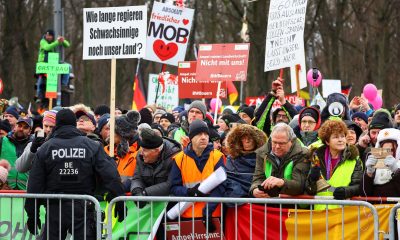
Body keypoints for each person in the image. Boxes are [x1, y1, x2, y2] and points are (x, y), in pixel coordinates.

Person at [24, 109, 126, 239]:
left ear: (57, 124)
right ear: (74, 123)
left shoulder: (46, 148)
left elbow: (34, 184)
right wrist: (119, 199)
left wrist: (32, 214)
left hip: (55, 209)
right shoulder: (91, 146)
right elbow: (111, 175)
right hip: (83, 207)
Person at [169, 120, 225, 232]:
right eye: (199, 134)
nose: (203, 137)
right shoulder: (179, 159)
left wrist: (207, 211)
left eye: (206, 134)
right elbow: (174, 187)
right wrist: (189, 192)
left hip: (213, 214)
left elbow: (222, 187)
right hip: (188, 214)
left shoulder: (218, 156)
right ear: (191, 138)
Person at [306, 120, 362, 209]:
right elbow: (309, 190)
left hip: (343, 213)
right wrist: (312, 179)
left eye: (343, 136)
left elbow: (359, 186)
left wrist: (346, 191)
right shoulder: (316, 158)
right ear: (327, 141)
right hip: (320, 213)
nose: (340, 140)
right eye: (335, 137)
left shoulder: (354, 159)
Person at [250, 123, 310, 198]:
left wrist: (281, 182)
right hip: (268, 203)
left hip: (292, 206)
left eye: (282, 143)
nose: (277, 146)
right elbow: (258, 178)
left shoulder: (303, 154)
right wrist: (254, 189)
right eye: (274, 142)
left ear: (291, 141)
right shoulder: (262, 153)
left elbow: (299, 186)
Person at [130, 128, 181, 205]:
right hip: (151, 208)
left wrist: (146, 193)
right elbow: (137, 178)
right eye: (142, 149)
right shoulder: (140, 156)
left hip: (170, 207)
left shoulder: (175, 157)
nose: (141, 153)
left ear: (157, 151)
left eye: (145, 150)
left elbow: (170, 184)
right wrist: (137, 190)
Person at [224, 124, 267, 199]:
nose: (247, 141)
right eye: (243, 138)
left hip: (259, 201)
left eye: (250, 138)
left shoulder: (264, 158)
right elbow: (229, 180)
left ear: (256, 140)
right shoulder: (231, 159)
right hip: (237, 203)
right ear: (238, 140)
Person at [361, 128, 400, 197]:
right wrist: (369, 173)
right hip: (376, 207)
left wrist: (396, 171)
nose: (388, 153)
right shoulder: (376, 163)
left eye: (391, 150)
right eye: (384, 150)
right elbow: (364, 194)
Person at [104, 110, 141, 183]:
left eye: (112, 130)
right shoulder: (106, 150)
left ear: (122, 134)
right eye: (109, 129)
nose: (109, 133)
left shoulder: (139, 153)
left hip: (129, 193)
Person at [36, 29, 71, 100]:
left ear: (53, 36)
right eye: (47, 35)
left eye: (50, 36)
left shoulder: (55, 41)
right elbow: (47, 47)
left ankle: (63, 85)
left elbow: (67, 45)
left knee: (68, 67)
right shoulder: (42, 41)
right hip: (44, 63)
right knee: (41, 79)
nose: (48, 37)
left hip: (54, 62)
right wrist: (57, 42)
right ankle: (39, 95)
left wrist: (62, 40)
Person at [0, 116, 32, 190]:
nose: (21, 129)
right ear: (15, 127)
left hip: (25, 192)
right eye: (19, 126)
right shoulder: (2, 141)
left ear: (30, 131)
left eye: (25, 127)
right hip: (4, 191)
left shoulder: (33, 146)